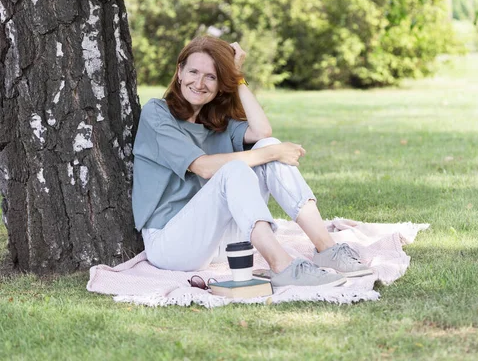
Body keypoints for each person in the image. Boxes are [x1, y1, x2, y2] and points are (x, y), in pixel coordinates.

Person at [131, 35, 372, 287]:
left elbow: (262, 132)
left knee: (268, 145)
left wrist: (237, 76)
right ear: (179, 72)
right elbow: (202, 167)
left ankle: (327, 250)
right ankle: (282, 266)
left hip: (220, 243)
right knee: (244, 164)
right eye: (193, 71)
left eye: (211, 76)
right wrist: (272, 152)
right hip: (172, 245)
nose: (199, 83)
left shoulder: (218, 121)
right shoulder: (157, 113)